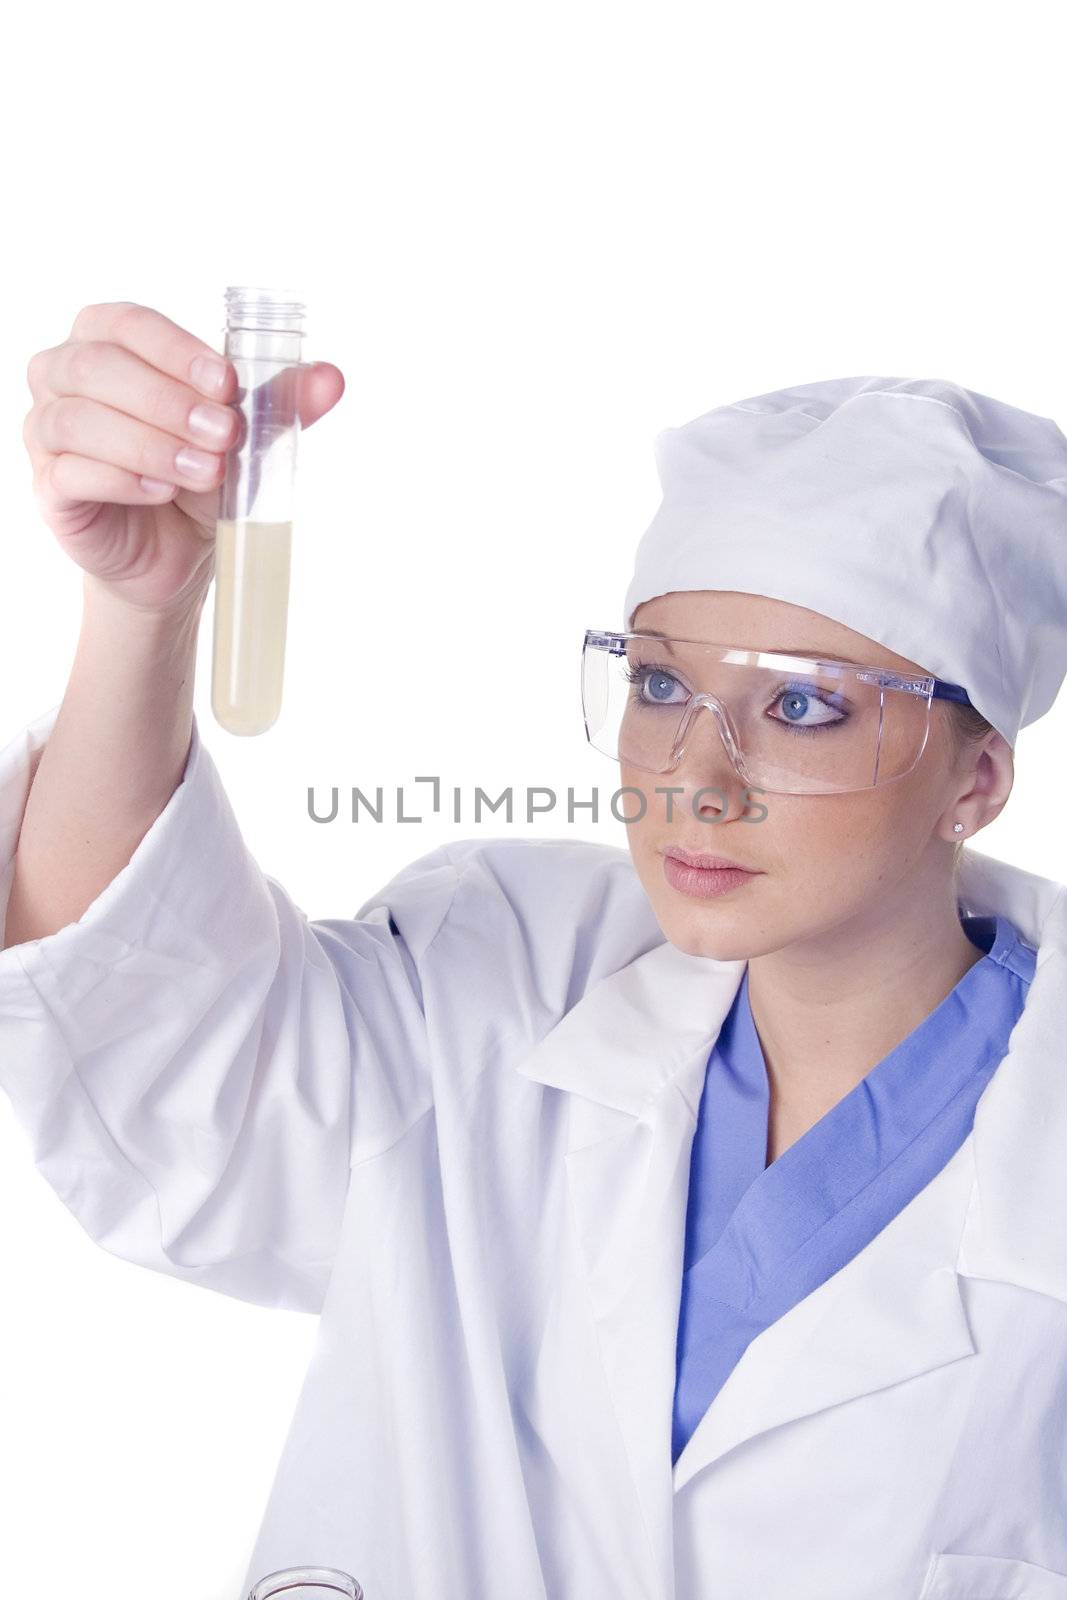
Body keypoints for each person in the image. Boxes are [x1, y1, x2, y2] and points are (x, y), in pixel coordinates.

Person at [1, 309, 1066, 1600]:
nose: (695, 777)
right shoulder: (506, 979)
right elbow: (150, 1015)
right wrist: (141, 605)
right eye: (664, 687)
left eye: (802, 706)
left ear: (979, 779)